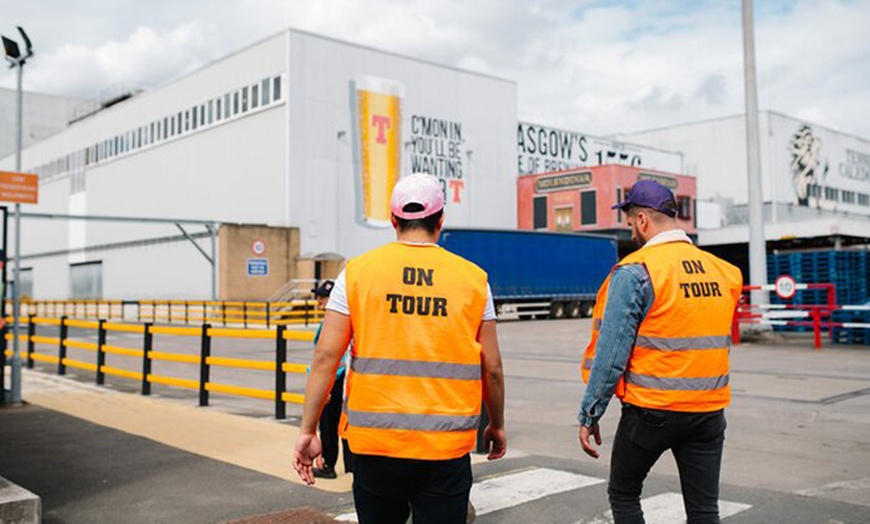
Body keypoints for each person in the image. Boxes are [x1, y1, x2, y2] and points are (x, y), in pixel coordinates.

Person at [293, 173, 507, 524]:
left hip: (374, 447)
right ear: (440, 221)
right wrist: (496, 424)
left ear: (393, 221)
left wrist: (308, 429)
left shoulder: (357, 273)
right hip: (445, 449)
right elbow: (493, 367)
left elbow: (325, 357)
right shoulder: (474, 280)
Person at [577, 180, 742, 524]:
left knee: (623, 494)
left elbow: (611, 354)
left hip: (652, 411)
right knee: (703, 509)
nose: (631, 232)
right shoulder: (723, 271)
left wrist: (591, 413)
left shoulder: (636, 271)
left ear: (641, 220)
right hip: (709, 412)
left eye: (629, 223)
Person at [309, 279, 354, 479]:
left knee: (329, 425)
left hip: (335, 379)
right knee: (343, 423)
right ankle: (351, 467)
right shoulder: (348, 318)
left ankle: (327, 464)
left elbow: (327, 356)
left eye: (321, 297)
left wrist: (322, 385)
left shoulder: (333, 320)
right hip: (344, 379)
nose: (318, 300)